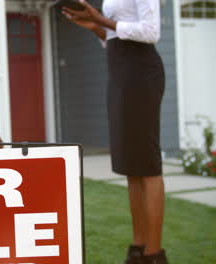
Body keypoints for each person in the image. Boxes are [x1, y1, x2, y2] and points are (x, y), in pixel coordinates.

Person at [62, 0, 168, 263]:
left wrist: (101, 19)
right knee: (131, 166)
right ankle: (138, 247)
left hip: (141, 74)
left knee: (148, 164)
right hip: (120, 73)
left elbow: (151, 32)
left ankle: (154, 254)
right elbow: (115, 37)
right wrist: (95, 26)